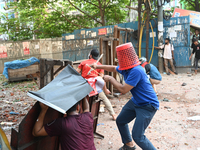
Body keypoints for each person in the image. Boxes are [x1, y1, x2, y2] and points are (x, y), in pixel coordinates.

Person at [92, 42, 159, 150]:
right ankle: (129, 145)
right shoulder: (126, 67)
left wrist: (110, 79)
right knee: (121, 121)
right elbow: (114, 68)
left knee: (138, 137)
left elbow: (123, 89)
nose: (118, 62)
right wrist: (97, 66)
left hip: (147, 105)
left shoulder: (136, 70)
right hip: (136, 101)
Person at [76, 49, 117, 120]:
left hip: (84, 86)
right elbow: (101, 77)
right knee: (104, 98)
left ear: (90, 55)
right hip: (95, 87)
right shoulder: (100, 65)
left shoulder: (83, 63)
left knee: (79, 100)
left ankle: (78, 115)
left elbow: (76, 73)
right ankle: (113, 114)